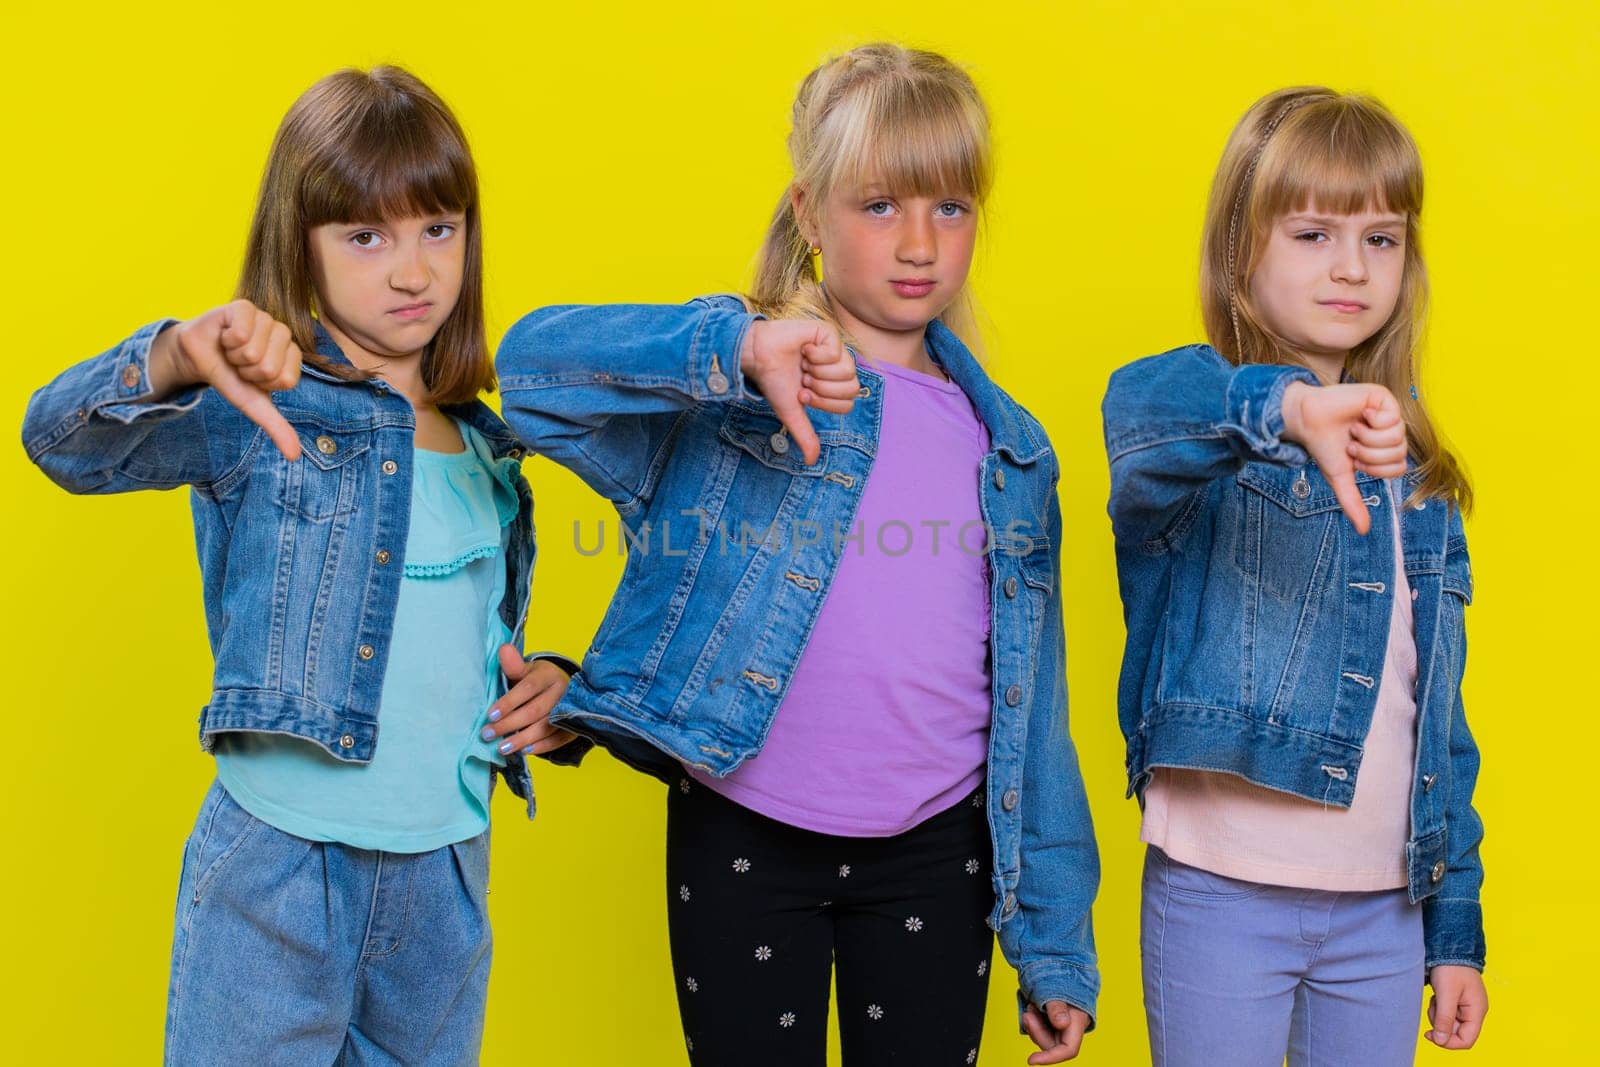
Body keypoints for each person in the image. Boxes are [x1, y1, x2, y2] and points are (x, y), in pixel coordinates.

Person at [495, 42, 1098, 1067]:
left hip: (935, 850)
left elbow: (1034, 716)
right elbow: (532, 374)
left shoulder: (1010, 449)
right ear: (809, 214)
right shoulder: (734, 404)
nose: (919, 243)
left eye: (949, 208)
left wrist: (1053, 945)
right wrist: (731, 348)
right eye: (878, 205)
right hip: (745, 837)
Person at [21, 65, 576, 1064]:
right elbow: (59, 440)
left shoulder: (492, 446)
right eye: (366, 235)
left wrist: (547, 687)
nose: (412, 272)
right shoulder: (263, 413)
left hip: (444, 874)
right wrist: (177, 353)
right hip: (281, 861)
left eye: (437, 228)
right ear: (300, 247)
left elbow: (454, 642)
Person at [1101, 86, 1488, 1065]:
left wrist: (1454, 927)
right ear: (1241, 251)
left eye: (1382, 238)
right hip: (1221, 891)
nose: (1352, 267)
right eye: (1312, 233)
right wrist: (1285, 409)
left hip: (1382, 909)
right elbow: (1140, 418)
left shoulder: (1420, 480)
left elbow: (1435, 715)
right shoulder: (1200, 424)